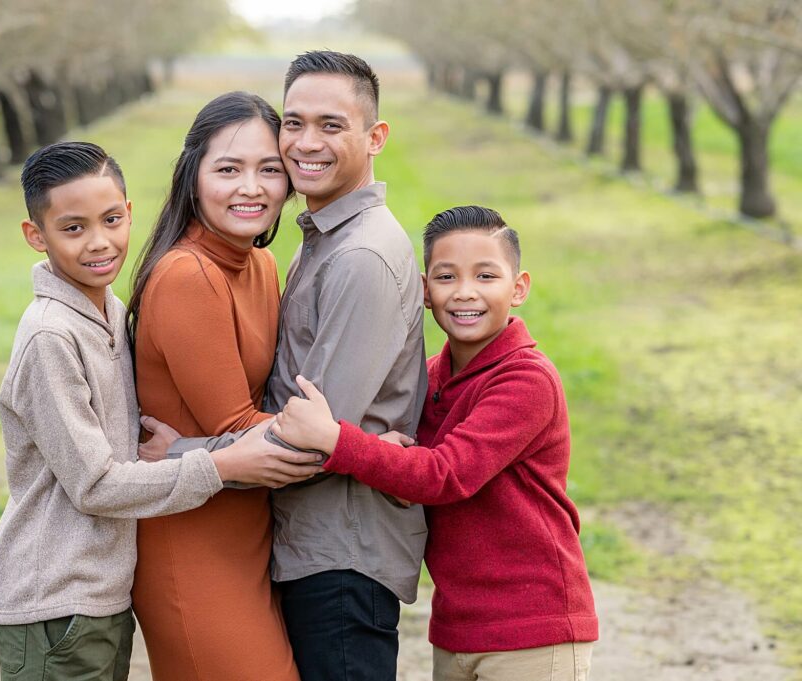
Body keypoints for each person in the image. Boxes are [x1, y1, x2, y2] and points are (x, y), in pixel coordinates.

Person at [0, 141, 322, 681]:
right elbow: (94, 486)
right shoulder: (50, 337)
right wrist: (219, 465)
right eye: (73, 228)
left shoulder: (110, 311)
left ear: (129, 213)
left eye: (112, 219)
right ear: (36, 235)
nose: (100, 242)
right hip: (56, 596)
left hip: (101, 589)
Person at [148, 51, 429, 681]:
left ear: (375, 136)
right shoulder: (313, 246)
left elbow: (311, 442)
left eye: (331, 125)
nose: (307, 143)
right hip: (304, 545)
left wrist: (173, 457)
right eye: (294, 123)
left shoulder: (359, 257)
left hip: (341, 552)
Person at [271, 206, 599, 681]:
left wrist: (336, 439)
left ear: (519, 287)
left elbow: (444, 474)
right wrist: (384, 450)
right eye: (447, 277)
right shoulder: (431, 379)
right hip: (458, 629)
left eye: (486, 276)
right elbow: (409, 464)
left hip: (534, 626)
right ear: (425, 291)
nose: (465, 292)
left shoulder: (527, 379)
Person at [124, 92, 300, 681]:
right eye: (228, 169)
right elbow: (241, 434)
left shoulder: (261, 266)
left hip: (249, 533)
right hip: (191, 542)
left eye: (268, 169)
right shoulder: (187, 275)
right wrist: (370, 449)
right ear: (192, 177)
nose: (251, 187)